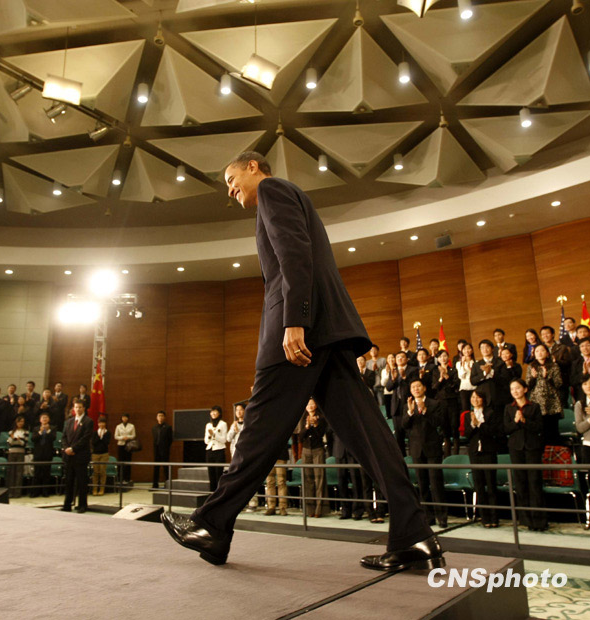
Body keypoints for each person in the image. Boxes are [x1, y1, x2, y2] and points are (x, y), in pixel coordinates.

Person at [162, 152, 440, 572]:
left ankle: (211, 524)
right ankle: (414, 536)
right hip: (327, 330)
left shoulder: (273, 189)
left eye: (231, 178)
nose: (229, 189)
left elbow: (295, 254)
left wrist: (295, 321)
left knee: (260, 426)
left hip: (301, 331)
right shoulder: (283, 196)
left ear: (253, 167)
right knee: (368, 434)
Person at [403, 379, 447, 528]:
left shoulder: (435, 403)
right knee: (422, 485)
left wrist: (425, 410)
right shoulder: (408, 405)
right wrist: (410, 412)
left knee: (436, 484)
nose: (416, 389)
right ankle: (428, 517)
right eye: (413, 387)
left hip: (432, 448)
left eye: (418, 386)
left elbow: (439, 422)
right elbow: (404, 425)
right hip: (417, 449)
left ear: (424, 388)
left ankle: (442, 516)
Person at [504, 378, 547, 531]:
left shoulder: (534, 407)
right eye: (512, 389)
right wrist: (516, 422)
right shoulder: (509, 408)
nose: (515, 391)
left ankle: (539, 520)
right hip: (516, 448)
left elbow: (539, 427)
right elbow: (506, 429)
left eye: (517, 388)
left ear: (525, 389)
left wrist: (524, 421)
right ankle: (525, 519)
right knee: (520, 483)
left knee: (534, 482)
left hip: (532, 447)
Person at [462, 388, 502, 528]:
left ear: (484, 399)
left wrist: (480, 424)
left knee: (491, 485)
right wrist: (473, 425)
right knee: (479, 486)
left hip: (488, 451)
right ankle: (484, 518)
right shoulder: (468, 415)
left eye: (478, 397)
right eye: (473, 397)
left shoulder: (491, 413)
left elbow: (494, 432)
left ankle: (494, 517)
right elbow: (466, 434)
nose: (475, 400)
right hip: (475, 453)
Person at [296, 399, 328, 518]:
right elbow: (300, 437)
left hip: (318, 449)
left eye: (312, 404)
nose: (310, 406)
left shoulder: (321, 417)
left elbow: (321, 434)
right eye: (308, 404)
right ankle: (310, 509)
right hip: (306, 450)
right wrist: (307, 426)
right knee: (308, 479)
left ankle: (319, 510)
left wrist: (315, 425)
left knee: (319, 479)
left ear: (316, 405)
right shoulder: (302, 418)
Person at [527, 343, 563, 445]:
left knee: (553, 430)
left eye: (542, 350)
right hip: (537, 401)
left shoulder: (554, 366)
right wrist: (533, 378)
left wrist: (547, 377)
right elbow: (528, 386)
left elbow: (559, 384)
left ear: (547, 353)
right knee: (540, 430)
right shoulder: (531, 367)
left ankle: (554, 450)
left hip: (552, 401)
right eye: (537, 351)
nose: (539, 353)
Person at [62, 400, 93, 513]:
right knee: (69, 481)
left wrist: (73, 449)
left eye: (80, 407)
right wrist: (66, 448)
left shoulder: (88, 421)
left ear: (84, 408)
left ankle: (82, 505)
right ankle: (67, 505)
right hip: (69, 456)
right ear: (73, 408)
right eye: (76, 407)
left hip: (80, 456)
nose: (78, 409)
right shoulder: (69, 421)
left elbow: (85, 438)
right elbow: (64, 437)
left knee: (81, 482)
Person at [430, 350, 460, 456]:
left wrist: (447, 377)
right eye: (440, 357)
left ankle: (456, 454)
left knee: (454, 426)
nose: (443, 358)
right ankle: (447, 455)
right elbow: (434, 387)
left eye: (445, 356)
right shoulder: (435, 371)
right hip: (441, 402)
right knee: (444, 428)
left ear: (448, 357)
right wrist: (441, 378)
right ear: (438, 359)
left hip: (453, 401)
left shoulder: (453, 370)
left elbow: (456, 385)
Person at [203, 406, 228, 492]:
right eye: (212, 412)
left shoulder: (223, 424)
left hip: (219, 450)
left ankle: (219, 492)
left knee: (218, 473)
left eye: (215, 412)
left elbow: (224, 440)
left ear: (219, 413)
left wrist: (214, 435)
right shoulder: (208, 425)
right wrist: (210, 436)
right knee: (211, 473)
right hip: (210, 450)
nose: (213, 413)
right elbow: (206, 441)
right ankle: (212, 493)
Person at [573, 375, 590, 502]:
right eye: (584, 384)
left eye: (589, 383)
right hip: (588, 444)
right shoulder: (580, 404)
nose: (587, 386)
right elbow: (580, 428)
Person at [32, 413, 56, 498]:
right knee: (37, 473)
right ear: (40, 420)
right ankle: (35, 492)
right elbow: (33, 439)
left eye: (46, 417)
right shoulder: (36, 428)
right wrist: (40, 432)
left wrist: (48, 431)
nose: (44, 419)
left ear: (49, 419)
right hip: (38, 453)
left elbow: (53, 438)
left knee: (46, 473)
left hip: (47, 453)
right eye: (43, 417)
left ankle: (45, 492)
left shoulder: (52, 428)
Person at [6, 415, 29, 498]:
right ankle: (10, 492)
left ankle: (17, 492)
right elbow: (9, 443)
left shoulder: (25, 432)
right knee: (11, 472)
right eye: (19, 421)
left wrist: (18, 440)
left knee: (19, 472)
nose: (21, 423)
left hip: (20, 452)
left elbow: (24, 443)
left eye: (22, 421)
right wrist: (13, 439)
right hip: (12, 452)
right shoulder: (11, 432)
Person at [91, 415, 112, 495]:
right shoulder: (95, 433)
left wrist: (102, 436)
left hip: (104, 454)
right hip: (95, 454)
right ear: (98, 423)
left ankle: (102, 489)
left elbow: (106, 442)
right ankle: (95, 489)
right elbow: (93, 442)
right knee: (96, 472)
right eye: (100, 423)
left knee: (102, 472)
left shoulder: (108, 433)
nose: (101, 424)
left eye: (103, 423)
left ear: (105, 423)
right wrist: (99, 436)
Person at [152, 410, 173, 489]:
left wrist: (166, 447)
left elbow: (170, 439)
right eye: (159, 416)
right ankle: (155, 485)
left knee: (166, 467)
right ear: (156, 417)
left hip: (165, 450)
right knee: (156, 467)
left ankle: (167, 485)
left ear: (164, 417)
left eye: (162, 416)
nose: (160, 417)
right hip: (156, 450)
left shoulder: (168, 427)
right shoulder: (154, 428)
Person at [114, 413, 137, 484]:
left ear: (128, 418)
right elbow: (116, 436)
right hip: (121, 445)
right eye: (123, 417)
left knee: (128, 461)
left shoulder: (132, 426)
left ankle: (127, 478)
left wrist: (128, 437)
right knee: (120, 461)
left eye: (126, 417)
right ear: (121, 418)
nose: (124, 418)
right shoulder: (118, 426)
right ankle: (120, 478)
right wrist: (122, 437)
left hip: (129, 445)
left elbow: (134, 435)